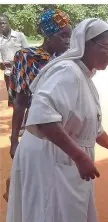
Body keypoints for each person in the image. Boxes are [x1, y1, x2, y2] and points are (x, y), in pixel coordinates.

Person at [4, 18, 108, 222]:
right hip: (50, 157)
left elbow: (91, 125)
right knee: (51, 221)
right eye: (106, 48)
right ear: (86, 45)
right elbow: (42, 117)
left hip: (65, 158)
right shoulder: (67, 72)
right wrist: (79, 156)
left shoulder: (84, 77)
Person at [5, 9, 72, 202]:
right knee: (33, 181)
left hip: (63, 127)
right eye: (63, 35)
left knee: (56, 181)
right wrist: (14, 140)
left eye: (70, 35)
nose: (68, 41)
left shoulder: (68, 61)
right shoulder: (27, 57)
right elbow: (21, 102)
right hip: (36, 127)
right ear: (48, 36)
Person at [0, 14, 29, 107]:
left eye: (3, 23)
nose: (1, 25)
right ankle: (16, 120)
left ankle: (26, 120)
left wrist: (16, 61)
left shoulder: (19, 36)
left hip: (22, 74)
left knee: (24, 99)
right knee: (13, 101)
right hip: (8, 74)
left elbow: (28, 53)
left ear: (9, 23)